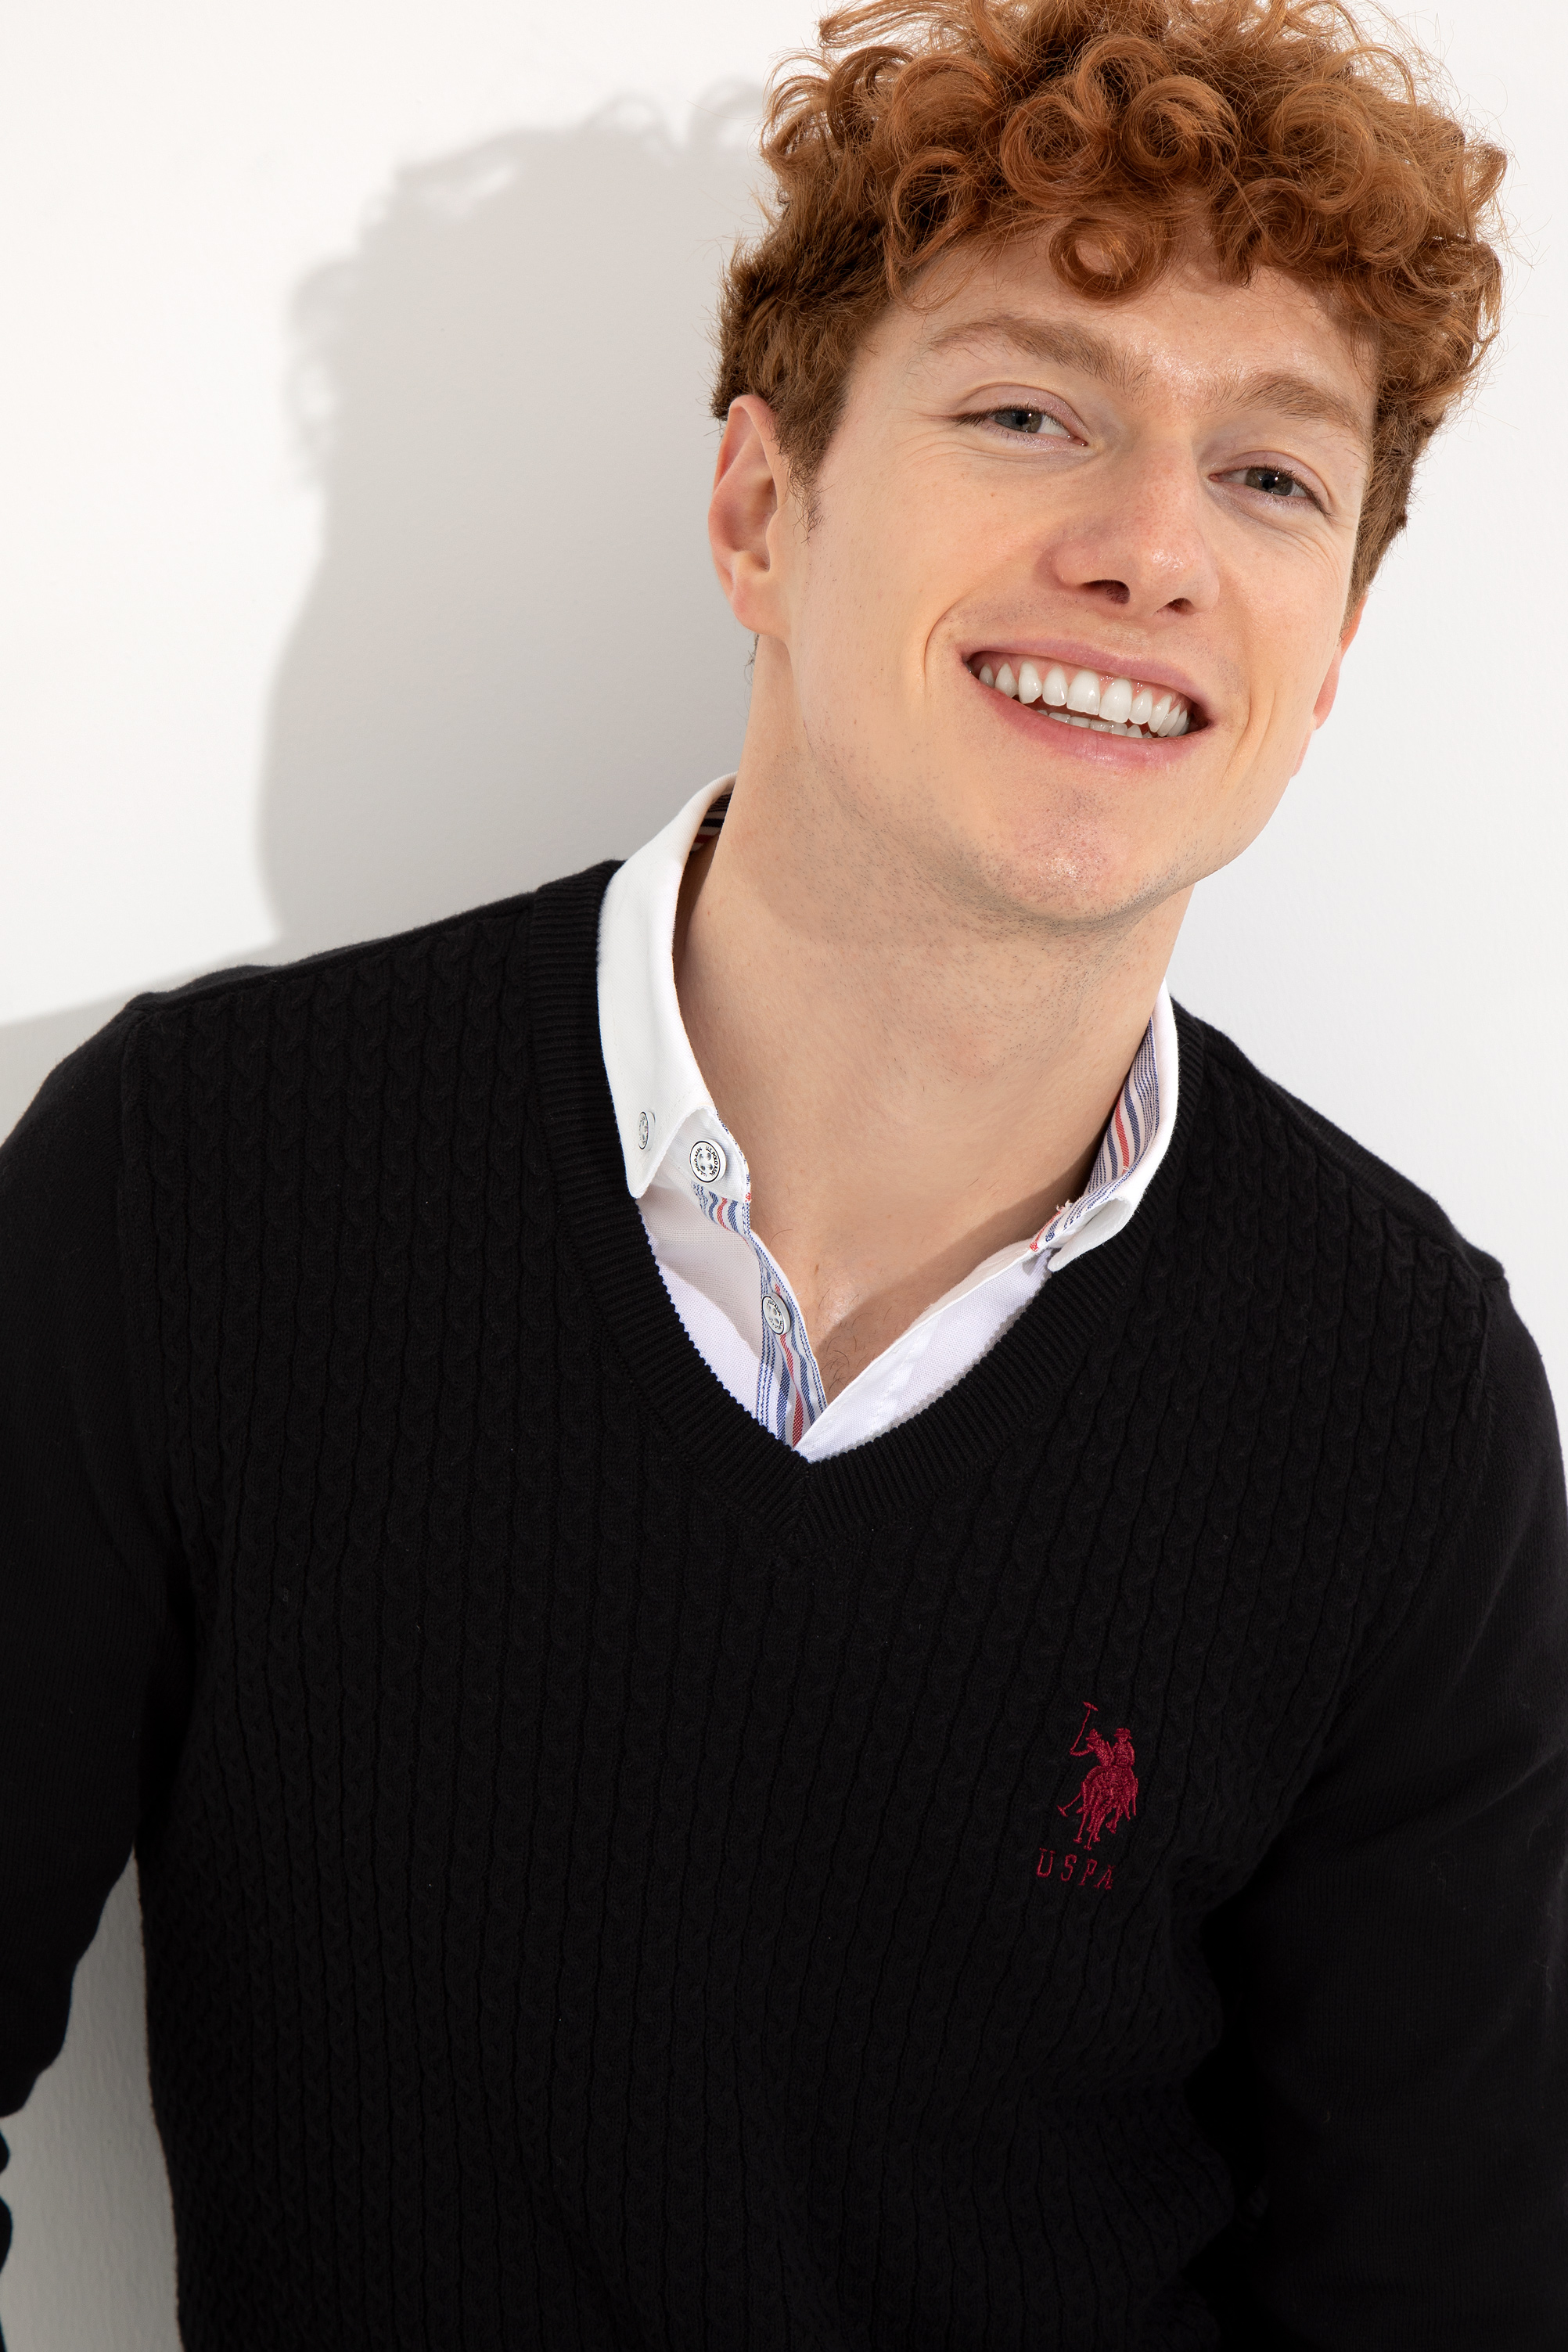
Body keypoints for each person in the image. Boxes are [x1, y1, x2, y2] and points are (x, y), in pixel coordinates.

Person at [2, 0, 1563, 2343]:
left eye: (1269, 475)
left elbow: (1439, 2297)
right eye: (1029, 411)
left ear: (1327, 650)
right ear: (759, 512)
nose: (1151, 549)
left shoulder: (1402, 1405)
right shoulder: (197, 1184)